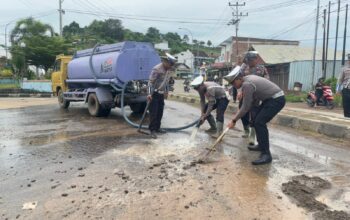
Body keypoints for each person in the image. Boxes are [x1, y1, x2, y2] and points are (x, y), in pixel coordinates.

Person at [224, 71, 285, 165]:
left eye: (233, 83)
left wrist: (234, 120)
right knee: (256, 120)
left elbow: (246, 106)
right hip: (269, 99)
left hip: (276, 100)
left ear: (239, 79)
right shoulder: (248, 79)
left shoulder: (247, 84)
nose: (233, 85)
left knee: (259, 123)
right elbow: (254, 101)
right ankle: (261, 145)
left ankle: (266, 155)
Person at [238, 51, 270, 146]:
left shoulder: (262, 69)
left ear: (256, 59)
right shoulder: (243, 67)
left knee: (254, 114)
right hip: (245, 93)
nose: (249, 62)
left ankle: (252, 135)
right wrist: (240, 91)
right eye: (248, 60)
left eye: (251, 60)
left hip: (257, 95)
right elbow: (238, 80)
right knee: (242, 112)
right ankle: (246, 130)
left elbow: (267, 80)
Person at [148, 53, 177, 139]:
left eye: (172, 64)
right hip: (154, 93)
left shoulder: (168, 69)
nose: (171, 66)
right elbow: (150, 82)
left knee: (160, 112)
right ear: (165, 62)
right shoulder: (157, 69)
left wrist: (166, 91)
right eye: (170, 64)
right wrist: (149, 94)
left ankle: (157, 128)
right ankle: (152, 130)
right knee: (154, 112)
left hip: (161, 93)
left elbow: (167, 81)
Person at [336, 53, 350, 118]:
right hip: (346, 89)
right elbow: (340, 79)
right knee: (346, 104)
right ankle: (347, 117)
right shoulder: (344, 69)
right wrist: (338, 90)